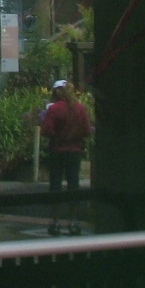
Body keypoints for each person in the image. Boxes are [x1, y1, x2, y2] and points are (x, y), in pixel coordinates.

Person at [40, 79, 93, 235]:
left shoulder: (54, 109)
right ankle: (73, 221)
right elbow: (87, 130)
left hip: (57, 150)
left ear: (57, 92)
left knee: (55, 186)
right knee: (73, 185)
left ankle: (55, 222)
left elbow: (47, 131)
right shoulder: (80, 109)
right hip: (74, 151)